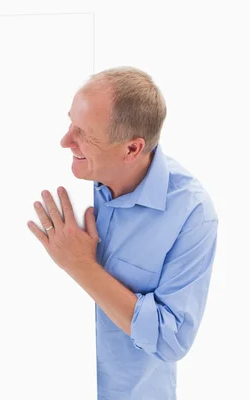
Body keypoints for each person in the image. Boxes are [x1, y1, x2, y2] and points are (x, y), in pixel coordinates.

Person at [27, 67, 218, 399]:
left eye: (84, 134)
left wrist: (81, 266)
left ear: (132, 149)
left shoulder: (192, 214)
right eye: (71, 122)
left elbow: (170, 339)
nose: (65, 141)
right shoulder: (66, 188)